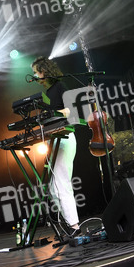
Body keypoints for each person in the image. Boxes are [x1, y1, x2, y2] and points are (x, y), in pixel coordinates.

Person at [31, 56, 80, 235]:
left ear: (44, 71)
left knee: (61, 183)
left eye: (36, 72)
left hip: (64, 138)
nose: (35, 76)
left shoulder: (60, 86)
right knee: (53, 188)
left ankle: (74, 226)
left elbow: (70, 110)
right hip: (53, 140)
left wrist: (52, 113)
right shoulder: (46, 93)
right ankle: (67, 224)